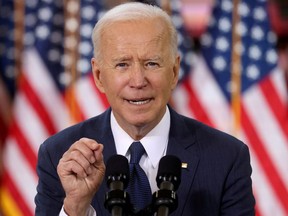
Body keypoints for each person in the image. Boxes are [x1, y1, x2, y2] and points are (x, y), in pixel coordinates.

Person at [34, 2, 255, 216]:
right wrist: (76, 208)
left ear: (174, 71)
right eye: (122, 64)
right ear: (99, 76)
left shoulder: (226, 158)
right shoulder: (59, 156)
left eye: (152, 63)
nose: (138, 81)